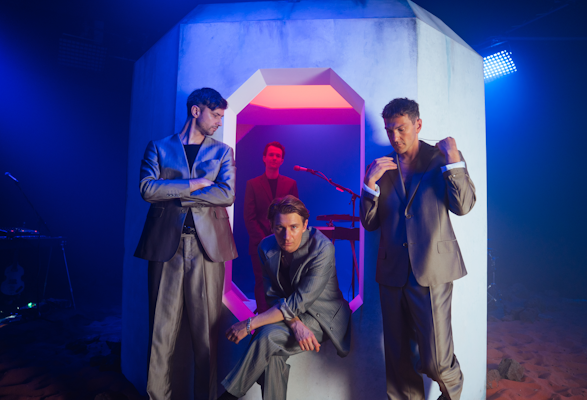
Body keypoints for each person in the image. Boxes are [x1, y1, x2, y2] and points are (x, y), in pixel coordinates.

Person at [360, 98, 476, 400]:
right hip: (392, 273)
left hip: (432, 271)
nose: (395, 137)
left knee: (437, 360)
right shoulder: (381, 167)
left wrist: (454, 158)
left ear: (418, 125)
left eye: (401, 129)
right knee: (398, 362)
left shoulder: (441, 159)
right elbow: (370, 224)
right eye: (389, 130)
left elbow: (463, 206)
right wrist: (369, 184)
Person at [134, 87, 238, 400]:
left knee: (206, 337)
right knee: (160, 333)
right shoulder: (158, 147)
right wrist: (195, 184)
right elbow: (147, 189)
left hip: (208, 250)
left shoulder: (223, 152)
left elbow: (227, 194)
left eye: (221, 116)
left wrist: (174, 193)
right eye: (215, 115)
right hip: (165, 247)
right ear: (196, 111)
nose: (219, 121)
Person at [218, 195, 351, 400]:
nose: (287, 236)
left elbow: (299, 302)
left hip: (322, 317)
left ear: (305, 225)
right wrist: (295, 323)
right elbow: (272, 296)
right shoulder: (265, 247)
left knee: (267, 335)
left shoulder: (323, 249)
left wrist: (249, 324)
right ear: (271, 226)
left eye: (294, 227)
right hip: (291, 314)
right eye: (280, 227)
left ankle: (227, 396)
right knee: (272, 356)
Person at [243, 141, 298, 313]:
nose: (274, 158)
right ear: (264, 158)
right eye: (271, 155)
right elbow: (249, 217)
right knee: (261, 282)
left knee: (284, 281)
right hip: (259, 243)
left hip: (285, 243)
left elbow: (295, 215)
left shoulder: (290, 184)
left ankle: (281, 318)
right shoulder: (252, 184)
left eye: (278, 156)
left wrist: (281, 238)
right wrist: (266, 241)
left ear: (282, 160)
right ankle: (262, 319)